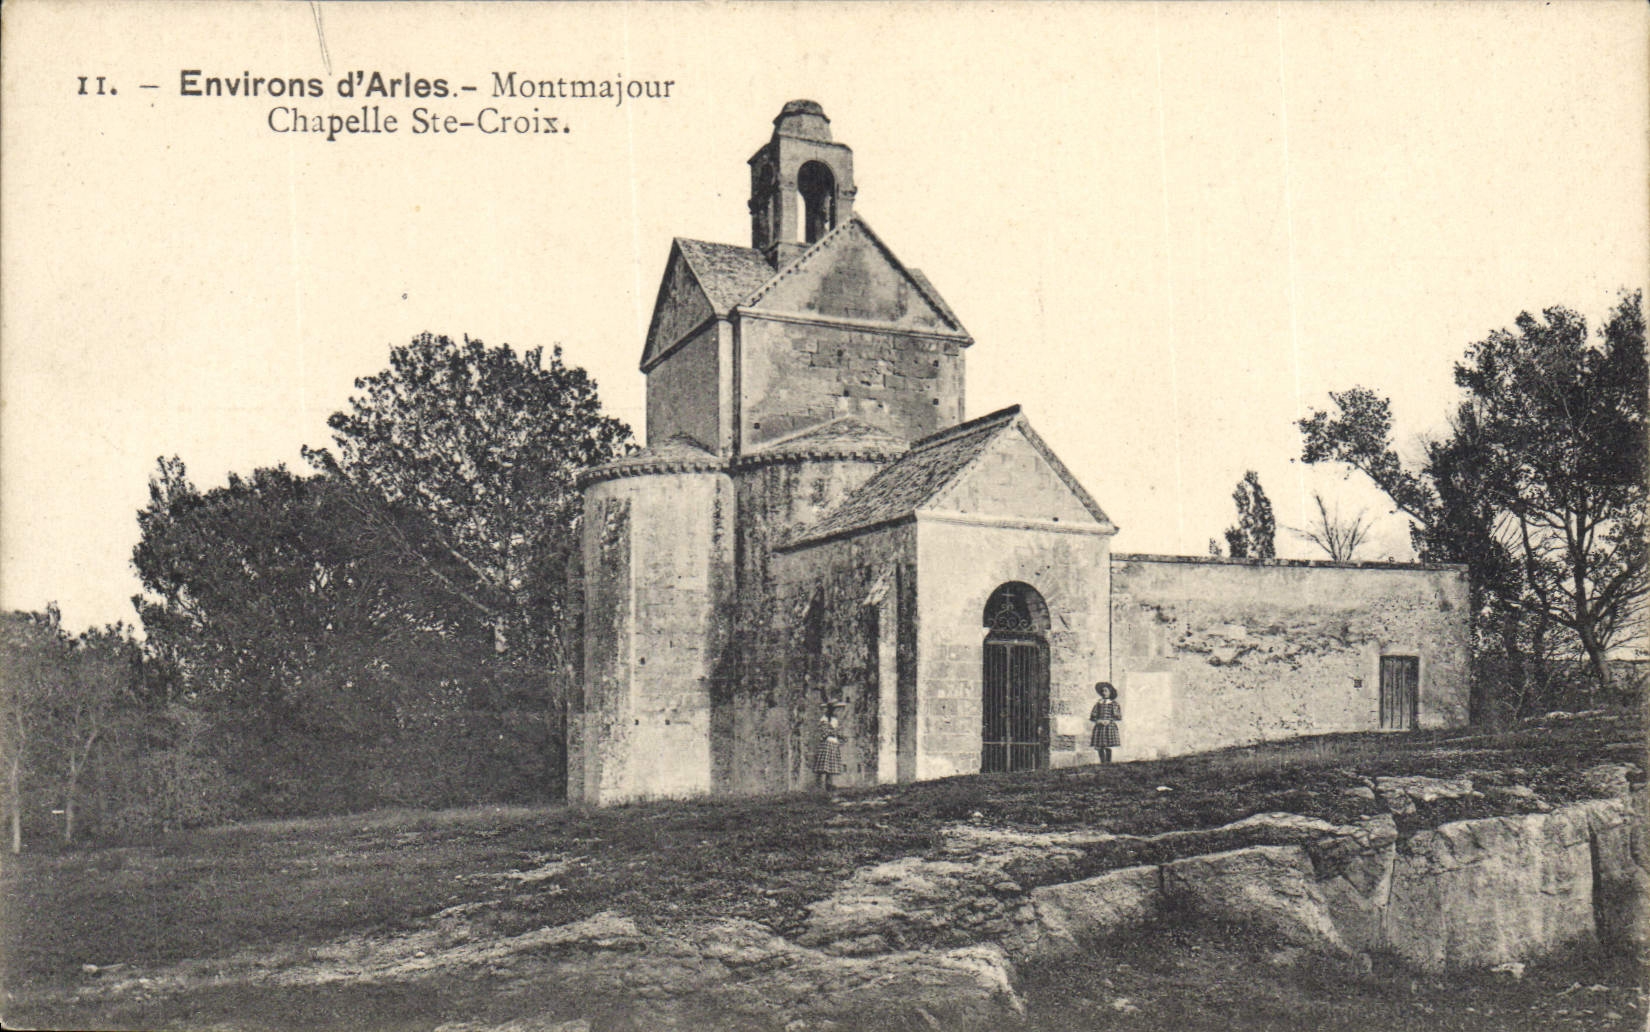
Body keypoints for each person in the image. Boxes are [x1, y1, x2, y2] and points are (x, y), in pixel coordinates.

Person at [813, 697, 848, 792]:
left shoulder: (834, 719)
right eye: (835, 708)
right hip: (827, 743)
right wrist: (836, 733)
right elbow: (826, 732)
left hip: (833, 743)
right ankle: (821, 786)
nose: (836, 710)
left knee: (831, 767)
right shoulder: (824, 719)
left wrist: (841, 736)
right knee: (825, 766)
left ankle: (829, 785)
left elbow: (834, 731)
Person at [1089, 681, 1122, 763]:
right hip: (1100, 727)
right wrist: (1098, 720)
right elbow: (1093, 716)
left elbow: (1118, 716)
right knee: (1100, 746)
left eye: (1106, 691)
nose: (1104, 693)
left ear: (1110, 692)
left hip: (1109, 727)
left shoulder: (1114, 704)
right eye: (1103, 691)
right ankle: (1102, 762)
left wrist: (1109, 720)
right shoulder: (1098, 704)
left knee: (1108, 746)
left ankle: (1108, 763)